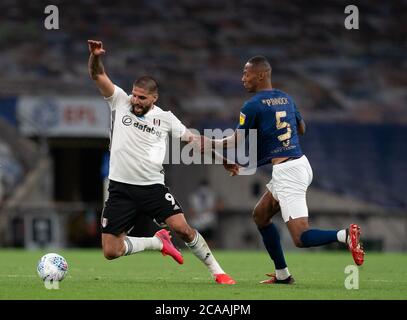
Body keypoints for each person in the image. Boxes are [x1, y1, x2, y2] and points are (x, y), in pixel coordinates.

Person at [87, 40, 235, 285]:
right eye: (134, 95)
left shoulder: (165, 119)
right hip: (120, 189)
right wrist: (95, 56)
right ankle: (157, 242)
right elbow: (97, 74)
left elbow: (194, 141)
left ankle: (218, 271)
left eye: (142, 98)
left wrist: (222, 160)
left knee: (183, 229)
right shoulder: (120, 101)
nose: (135, 101)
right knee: (111, 251)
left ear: (154, 98)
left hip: (152, 187)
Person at [210, 55, 365, 284]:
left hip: (288, 172)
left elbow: (236, 141)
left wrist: (209, 143)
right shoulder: (285, 98)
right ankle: (283, 275)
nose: (243, 78)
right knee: (261, 215)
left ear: (261, 75)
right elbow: (301, 128)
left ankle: (345, 236)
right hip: (299, 162)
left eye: (246, 73)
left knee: (301, 237)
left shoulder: (251, 105)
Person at [188, 179, 222, 248]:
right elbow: (191, 210)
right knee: (201, 239)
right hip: (200, 221)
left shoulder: (212, 194)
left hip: (206, 220)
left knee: (208, 240)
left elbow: (220, 206)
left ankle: (207, 253)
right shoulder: (195, 196)